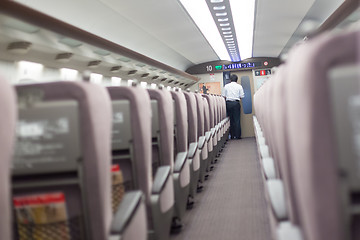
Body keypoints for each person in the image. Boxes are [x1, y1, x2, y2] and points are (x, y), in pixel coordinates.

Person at [222, 74, 245, 139]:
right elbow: (242, 96)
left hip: (228, 103)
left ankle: (231, 136)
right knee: (237, 120)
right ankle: (238, 136)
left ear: (230, 80)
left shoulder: (226, 86)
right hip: (236, 103)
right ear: (236, 80)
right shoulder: (239, 86)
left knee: (230, 120)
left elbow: (223, 96)